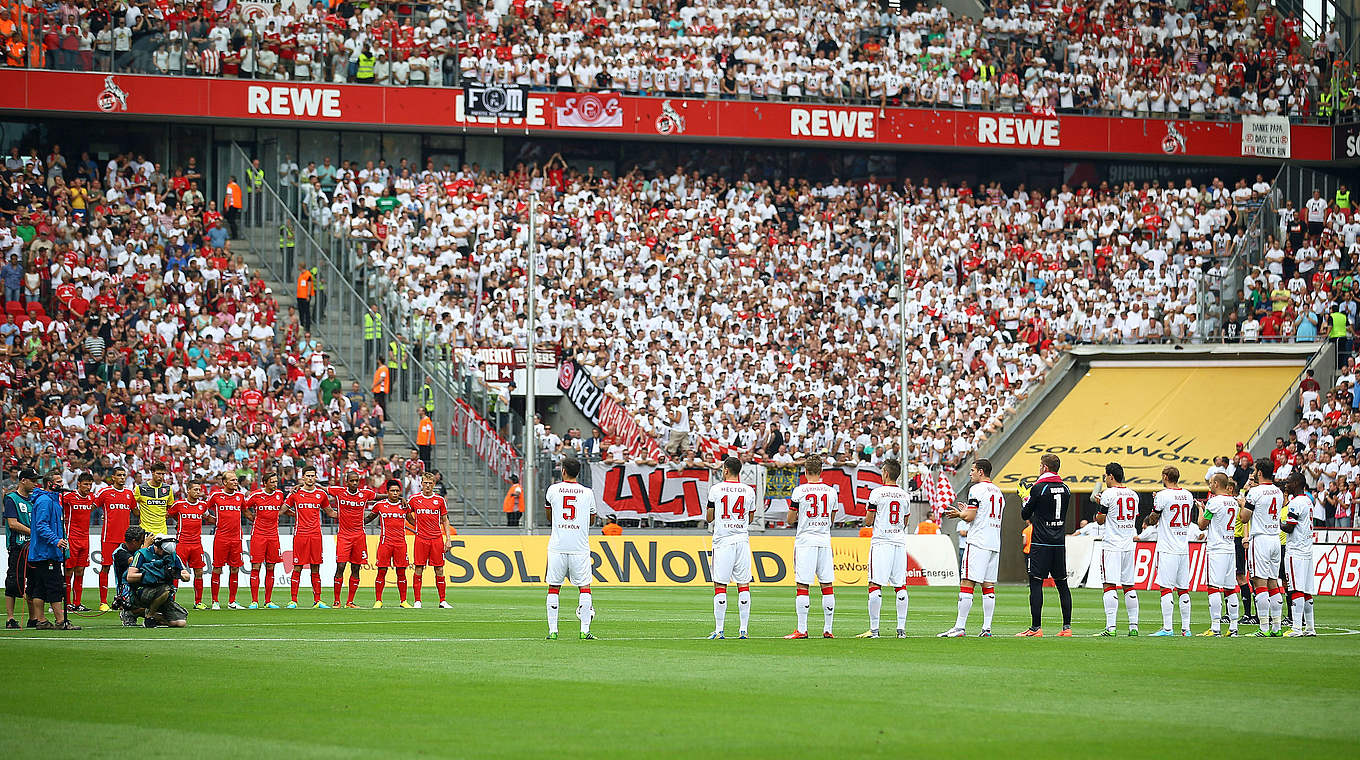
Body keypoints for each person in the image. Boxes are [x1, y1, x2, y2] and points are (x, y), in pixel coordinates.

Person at [940, 458, 1004, 637]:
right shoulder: (998, 492)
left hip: (978, 541)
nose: (970, 473)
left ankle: (960, 627)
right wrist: (966, 510)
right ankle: (986, 628)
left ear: (981, 472)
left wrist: (960, 513)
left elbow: (969, 517)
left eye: (973, 470)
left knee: (967, 583)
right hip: (994, 543)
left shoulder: (976, 489)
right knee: (988, 586)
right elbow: (980, 513)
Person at [1018, 454, 1073, 637]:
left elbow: (1026, 514)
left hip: (1041, 543)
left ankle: (1036, 628)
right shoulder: (1066, 488)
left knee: (1036, 582)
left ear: (1044, 468)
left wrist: (1026, 499)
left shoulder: (1039, 488)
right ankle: (1067, 628)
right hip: (1058, 543)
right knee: (1062, 584)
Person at [785, 454, 838, 639]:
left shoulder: (799, 491)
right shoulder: (831, 492)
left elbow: (790, 519)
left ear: (805, 471)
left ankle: (802, 629)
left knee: (802, 585)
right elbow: (832, 519)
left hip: (806, 540)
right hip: (824, 540)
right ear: (821, 471)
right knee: (827, 585)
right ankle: (828, 629)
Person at [545, 459, 598, 640]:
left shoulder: (553, 490)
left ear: (563, 471)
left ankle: (553, 631)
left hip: (558, 546)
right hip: (579, 547)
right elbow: (592, 520)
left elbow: (549, 516)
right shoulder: (587, 492)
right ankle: (584, 630)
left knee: (554, 587)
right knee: (584, 587)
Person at [859, 458, 910, 639]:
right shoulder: (905, 495)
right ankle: (901, 629)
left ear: (886, 473)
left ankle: (874, 630)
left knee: (875, 584)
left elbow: (868, 520)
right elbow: (905, 521)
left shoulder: (877, 493)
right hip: (899, 541)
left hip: (881, 542)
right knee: (900, 585)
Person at [705, 456, 755, 640]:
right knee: (743, 584)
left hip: (723, 539)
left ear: (725, 470)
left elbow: (709, 517)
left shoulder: (716, 489)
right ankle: (743, 629)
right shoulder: (749, 491)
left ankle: (719, 629)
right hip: (741, 539)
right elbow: (750, 518)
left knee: (720, 584)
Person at [27, 472, 79, 630]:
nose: (61, 485)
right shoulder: (45, 500)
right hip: (46, 552)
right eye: (58, 482)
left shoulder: (51, 500)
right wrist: (56, 540)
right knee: (55, 586)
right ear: (50, 484)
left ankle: (41, 621)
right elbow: (41, 525)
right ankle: (60, 620)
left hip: (44, 552)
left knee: (40, 588)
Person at [1146, 466, 1194, 636]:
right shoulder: (1188, 495)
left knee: (1166, 588)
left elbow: (1153, 519)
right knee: (1183, 589)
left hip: (1167, 547)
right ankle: (1186, 629)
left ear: (1165, 476)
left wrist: (1155, 503)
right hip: (1183, 547)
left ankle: (1167, 628)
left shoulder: (1162, 495)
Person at [1093, 462, 1140, 636]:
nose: (1105, 479)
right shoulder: (1134, 495)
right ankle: (1133, 627)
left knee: (1109, 585)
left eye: (1106, 476)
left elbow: (1100, 519)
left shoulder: (1108, 494)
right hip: (1128, 544)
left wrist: (1099, 504)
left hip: (1112, 544)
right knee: (1129, 586)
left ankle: (1111, 628)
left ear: (1111, 476)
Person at [1240, 459, 1285, 636]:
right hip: (1275, 539)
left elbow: (1244, 518)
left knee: (1260, 583)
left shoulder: (1254, 492)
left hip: (1260, 539)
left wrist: (1242, 503)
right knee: (1273, 583)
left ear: (1259, 473)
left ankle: (1264, 627)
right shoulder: (1279, 492)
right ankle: (1277, 627)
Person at [1197, 473, 1242, 636]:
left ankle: (1215, 627)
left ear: (1216, 484)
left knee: (1213, 587)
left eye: (1210, 483)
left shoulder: (1213, 502)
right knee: (1230, 588)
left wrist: (1201, 510)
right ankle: (1234, 627)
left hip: (1216, 549)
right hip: (1230, 547)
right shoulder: (1233, 501)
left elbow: (1202, 525)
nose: (1209, 485)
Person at [283, 466, 333, 609]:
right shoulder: (295, 494)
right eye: (308, 475)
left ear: (316, 477)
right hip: (300, 535)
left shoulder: (321, 494)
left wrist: (348, 515)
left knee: (315, 567)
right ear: (302, 477)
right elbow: (282, 510)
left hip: (316, 535)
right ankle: (293, 600)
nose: (310, 478)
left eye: (313, 475)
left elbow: (330, 512)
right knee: (297, 567)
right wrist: (294, 514)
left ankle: (317, 600)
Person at [328, 469, 374, 608]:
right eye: (352, 481)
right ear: (347, 482)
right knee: (340, 566)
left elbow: (380, 496)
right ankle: (337, 601)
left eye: (356, 481)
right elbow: (322, 488)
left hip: (359, 536)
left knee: (356, 568)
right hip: (344, 536)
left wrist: (400, 497)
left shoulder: (365, 494)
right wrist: (301, 485)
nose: (354, 483)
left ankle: (350, 601)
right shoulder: (339, 492)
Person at [95, 467, 138, 611]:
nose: (122, 478)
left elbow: (136, 511)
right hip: (109, 537)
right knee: (106, 567)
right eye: (119, 475)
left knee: (126, 569)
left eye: (123, 475)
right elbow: (92, 506)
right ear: (112, 477)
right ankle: (103, 602)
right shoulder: (105, 492)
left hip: (125, 540)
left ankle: (122, 598)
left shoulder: (129, 493)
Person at [126, 534, 191, 628]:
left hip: (163, 596)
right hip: (143, 591)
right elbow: (130, 577)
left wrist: (174, 574)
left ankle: (155, 616)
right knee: (166, 590)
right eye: (164, 552)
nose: (165, 554)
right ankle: (148, 616)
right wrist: (151, 575)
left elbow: (187, 576)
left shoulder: (172, 555)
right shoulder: (142, 554)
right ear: (157, 545)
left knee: (180, 623)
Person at [407, 472, 451, 609]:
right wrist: (416, 525)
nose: (427, 485)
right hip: (421, 538)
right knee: (419, 568)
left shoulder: (439, 500)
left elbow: (445, 520)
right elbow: (407, 514)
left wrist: (448, 539)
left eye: (430, 483)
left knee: (439, 569)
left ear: (434, 484)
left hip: (437, 538)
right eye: (425, 483)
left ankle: (442, 601)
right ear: (421, 483)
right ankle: (417, 601)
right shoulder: (414, 499)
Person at [1282, 472, 1318, 637]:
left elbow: (1290, 527)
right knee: (1306, 590)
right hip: (1307, 549)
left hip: (1295, 550)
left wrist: (1277, 522)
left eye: (1289, 482)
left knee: (1295, 588)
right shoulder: (1308, 501)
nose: (1286, 485)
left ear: (1296, 483)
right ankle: (1310, 628)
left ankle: (1296, 628)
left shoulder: (1295, 503)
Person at [168, 480, 213, 610]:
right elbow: (169, 514)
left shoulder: (202, 506)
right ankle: (171, 602)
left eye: (199, 490)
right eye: (195, 490)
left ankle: (198, 602)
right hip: (182, 543)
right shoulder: (179, 504)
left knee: (199, 572)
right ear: (188, 490)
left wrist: (223, 521)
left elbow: (208, 518)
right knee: (176, 572)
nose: (198, 492)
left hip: (197, 544)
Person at [366, 479, 411, 609]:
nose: (395, 493)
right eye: (392, 491)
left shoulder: (404, 506)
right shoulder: (380, 505)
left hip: (401, 543)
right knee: (381, 571)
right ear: (387, 492)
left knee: (401, 572)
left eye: (397, 491)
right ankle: (378, 600)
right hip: (385, 543)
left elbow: (412, 521)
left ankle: (403, 601)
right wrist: (356, 522)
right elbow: (369, 518)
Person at [244, 471, 286, 609]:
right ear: (265, 483)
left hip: (273, 535)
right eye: (272, 481)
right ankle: (254, 601)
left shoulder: (279, 494)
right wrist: (251, 518)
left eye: (276, 481)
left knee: (271, 567)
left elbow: (282, 508)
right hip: (258, 535)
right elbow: (244, 507)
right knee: (256, 567)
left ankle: (268, 601)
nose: (275, 484)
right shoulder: (256, 495)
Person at [207, 472, 247, 610]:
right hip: (221, 538)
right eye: (232, 480)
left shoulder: (240, 496)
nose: (236, 482)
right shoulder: (216, 496)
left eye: (236, 480)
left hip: (236, 538)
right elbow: (204, 509)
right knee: (217, 568)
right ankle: (215, 601)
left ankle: (232, 601)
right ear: (224, 482)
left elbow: (246, 511)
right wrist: (212, 520)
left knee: (235, 568)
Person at [60, 473, 96, 612]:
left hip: (85, 539)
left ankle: (77, 603)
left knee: (80, 571)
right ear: (78, 484)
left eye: (90, 484)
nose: (88, 487)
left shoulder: (91, 498)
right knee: (68, 571)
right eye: (86, 484)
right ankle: (66, 602)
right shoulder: (69, 497)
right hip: (71, 539)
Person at [111, 527, 151, 627]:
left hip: (141, 584)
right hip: (126, 590)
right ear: (134, 541)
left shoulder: (140, 549)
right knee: (153, 612)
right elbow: (135, 562)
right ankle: (129, 612)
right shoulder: (119, 552)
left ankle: (135, 612)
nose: (142, 543)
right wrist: (146, 546)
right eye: (141, 541)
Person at [133, 461, 174, 536]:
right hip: (145, 530)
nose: (161, 476)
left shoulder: (168, 489)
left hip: (162, 531)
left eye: (163, 474)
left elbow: (170, 507)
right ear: (152, 472)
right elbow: (131, 503)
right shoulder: (140, 488)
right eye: (158, 473)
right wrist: (137, 513)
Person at [296, 262, 313, 330]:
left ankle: (307, 327)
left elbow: (309, 285)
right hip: (300, 295)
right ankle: (302, 325)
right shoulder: (301, 274)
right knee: (301, 311)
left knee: (306, 311)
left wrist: (308, 295)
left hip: (305, 296)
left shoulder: (307, 274)